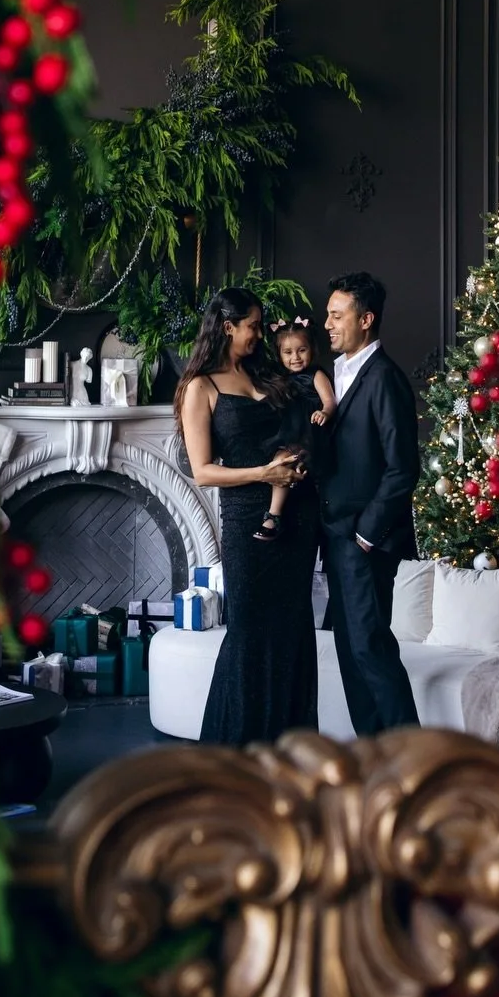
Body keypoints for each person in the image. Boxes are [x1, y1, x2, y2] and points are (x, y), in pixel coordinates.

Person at [176, 287, 320, 743]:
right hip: (248, 525)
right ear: (227, 326)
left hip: (296, 520)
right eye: (254, 326)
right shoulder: (201, 387)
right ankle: (236, 754)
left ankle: (290, 752)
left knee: (295, 635)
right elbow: (203, 472)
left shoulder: (269, 374)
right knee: (249, 636)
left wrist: (295, 463)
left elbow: (305, 418)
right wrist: (265, 474)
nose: (260, 333)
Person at [315, 271, 421, 735]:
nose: (327, 324)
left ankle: (412, 761)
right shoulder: (334, 373)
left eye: (338, 316)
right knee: (349, 650)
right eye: (328, 315)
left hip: (364, 540)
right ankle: (373, 755)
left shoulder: (386, 380)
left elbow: (403, 469)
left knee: (370, 648)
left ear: (367, 319)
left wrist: (364, 534)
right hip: (334, 534)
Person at [253, 318, 335, 545]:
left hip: (309, 432)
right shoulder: (281, 378)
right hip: (289, 431)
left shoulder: (316, 375)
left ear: (312, 350)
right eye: (287, 352)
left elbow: (330, 401)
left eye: (301, 350)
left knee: (285, 460)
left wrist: (324, 413)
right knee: (281, 461)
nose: (295, 357)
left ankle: (273, 516)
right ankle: (275, 514)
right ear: (279, 354)